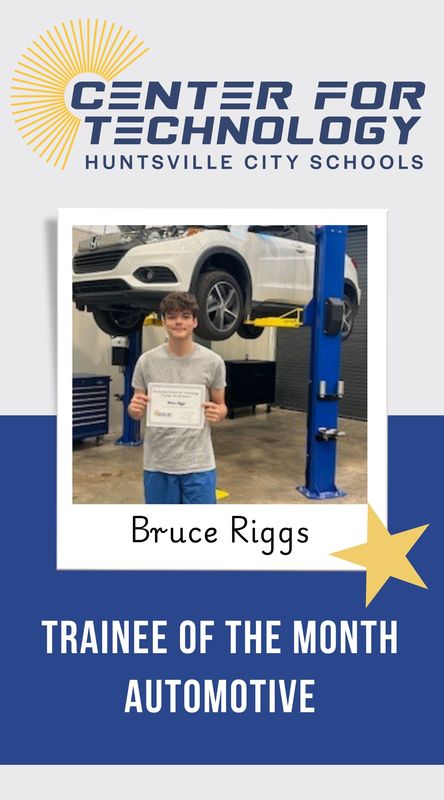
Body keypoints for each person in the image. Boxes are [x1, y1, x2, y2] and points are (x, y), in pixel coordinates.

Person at [128, 291, 227, 504]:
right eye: (172, 316)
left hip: (199, 464)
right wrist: (134, 410)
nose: (178, 321)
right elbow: (136, 409)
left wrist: (219, 413)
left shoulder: (213, 362)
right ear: (163, 322)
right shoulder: (146, 361)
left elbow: (221, 406)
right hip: (158, 463)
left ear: (195, 321)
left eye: (184, 316)